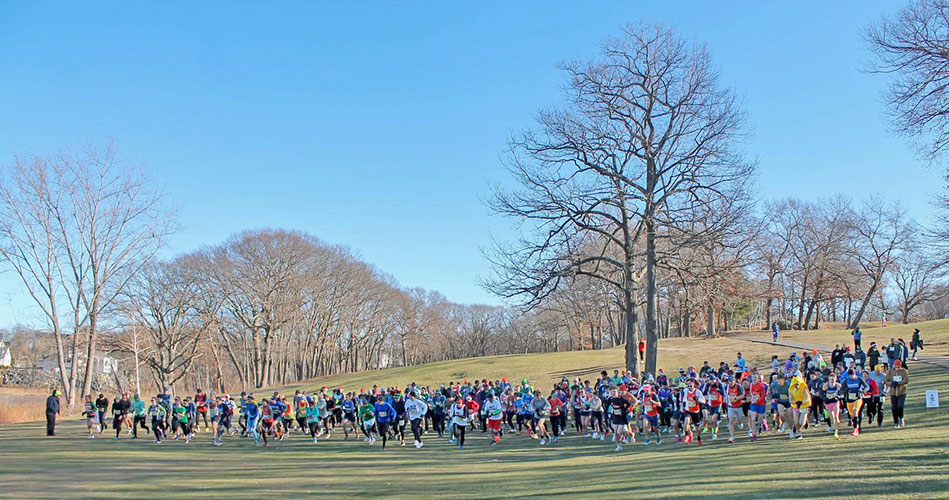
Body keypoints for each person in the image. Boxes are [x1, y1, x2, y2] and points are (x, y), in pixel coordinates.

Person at [885, 360, 909, 429]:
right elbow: (886, 381)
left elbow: (906, 380)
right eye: (895, 367)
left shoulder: (904, 371)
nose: (897, 369)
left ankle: (901, 418)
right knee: (894, 408)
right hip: (893, 393)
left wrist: (898, 383)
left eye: (898, 367)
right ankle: (896, 422)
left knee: (900, 406)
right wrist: (892, 383)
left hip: (902, 392)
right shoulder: (890, 371)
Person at [788, 371, 811, 440]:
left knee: (801, 422)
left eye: (798, 384)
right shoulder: (791, 390)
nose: (797, 386)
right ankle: (799, 433)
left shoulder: (804, 388)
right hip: (795, 406)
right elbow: (790, 400)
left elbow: (807, 398)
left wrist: (801, 402)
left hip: (804, 405)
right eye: (795, 384)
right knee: (796, 421)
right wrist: (796, 402)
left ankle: (804, 423)